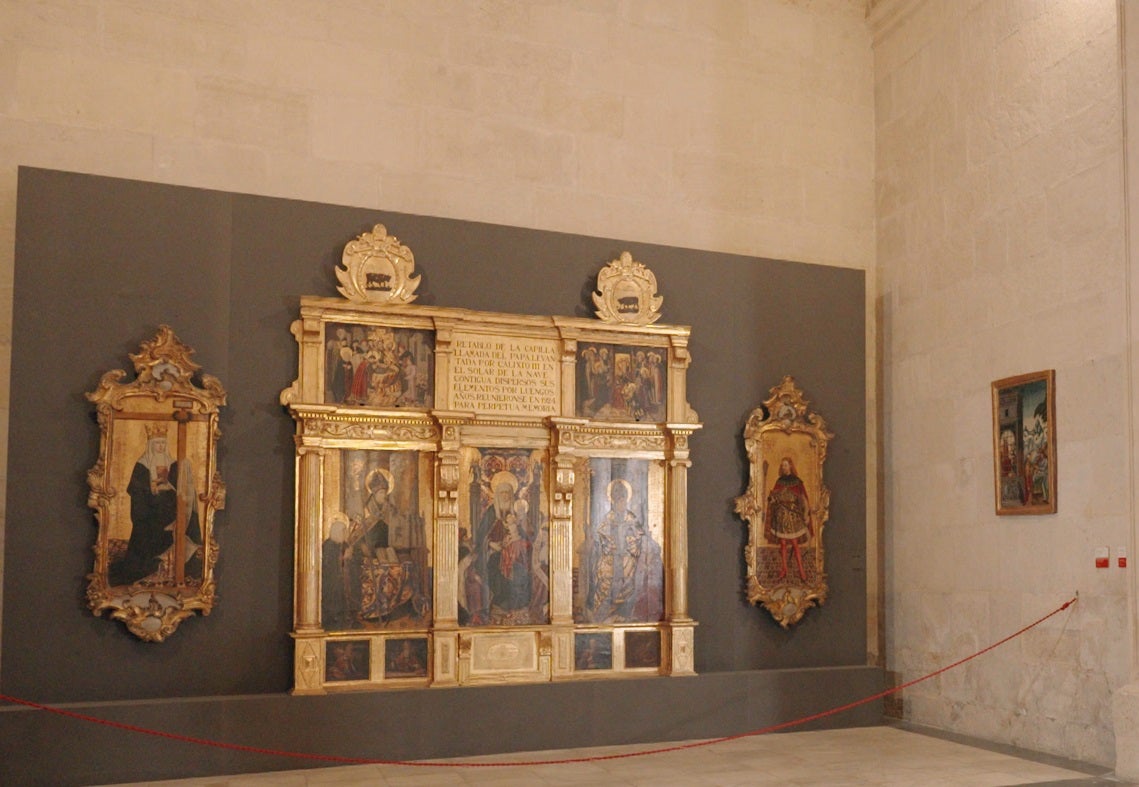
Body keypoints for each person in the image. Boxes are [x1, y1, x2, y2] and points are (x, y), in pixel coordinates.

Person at [111, 423, 201, 586]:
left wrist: (169, 487)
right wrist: (151, 489)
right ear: (151, 445)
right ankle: (145, 568)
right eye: (157, 443)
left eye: (163, 443)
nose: (160, 446)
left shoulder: (174, 464)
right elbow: (135, 489)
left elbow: (181, 492)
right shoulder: (142, 465)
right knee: (144, 533)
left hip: (168, 512)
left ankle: (170, 568)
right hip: (148, 514)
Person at [585, 478, 663, 623]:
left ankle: (623, 614)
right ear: (613, 501)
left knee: (630, 580)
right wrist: (610, 546)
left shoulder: (631, 518)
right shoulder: (607, 518)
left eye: (624, 500)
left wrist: (629, 544)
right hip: (610, 557)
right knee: (604, 577)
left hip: (628, 559)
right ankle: (602, 616)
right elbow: (601, 537)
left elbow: (639, 537)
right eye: (619, 501)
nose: (622, 504)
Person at [765, 457, 813, 582]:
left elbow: (804, 499)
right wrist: (772, 499)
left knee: (795, 544)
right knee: (783, 544)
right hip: (781, 516)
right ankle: (784, 569)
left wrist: (806, 513)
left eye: (785, 465)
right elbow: (774, 497)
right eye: (782, 466)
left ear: (790, 466)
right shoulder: (779, 481)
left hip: (793, 517)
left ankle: (801, 570)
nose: (784, 467)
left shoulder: (797, 481)